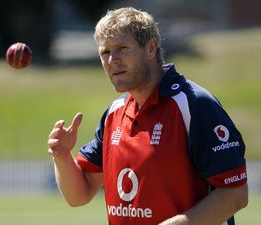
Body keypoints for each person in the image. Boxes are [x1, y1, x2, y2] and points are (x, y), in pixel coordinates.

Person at [47, 7, 248, 225]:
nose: (112, 59)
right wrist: (62, 156)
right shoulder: (114, 114)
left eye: (122, 48)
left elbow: (235, 195)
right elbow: (79, 195)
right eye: (105, 52)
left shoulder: (194, 105)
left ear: (151, 48)